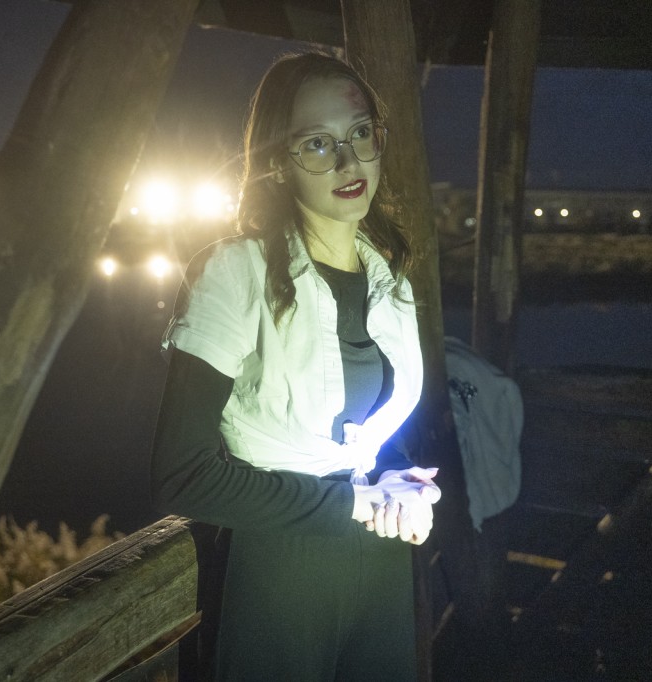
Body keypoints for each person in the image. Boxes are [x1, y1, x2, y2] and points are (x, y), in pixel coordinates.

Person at [150, 51, 440, 682]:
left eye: (360, 133)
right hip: (278, 567)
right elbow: (182, 476)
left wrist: (401, 483)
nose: (348, 162)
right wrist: (356, 503)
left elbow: (369, 433)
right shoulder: (235, 272)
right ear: (278, 163)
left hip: (383, 563)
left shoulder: (391, 280)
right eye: (317, 143)